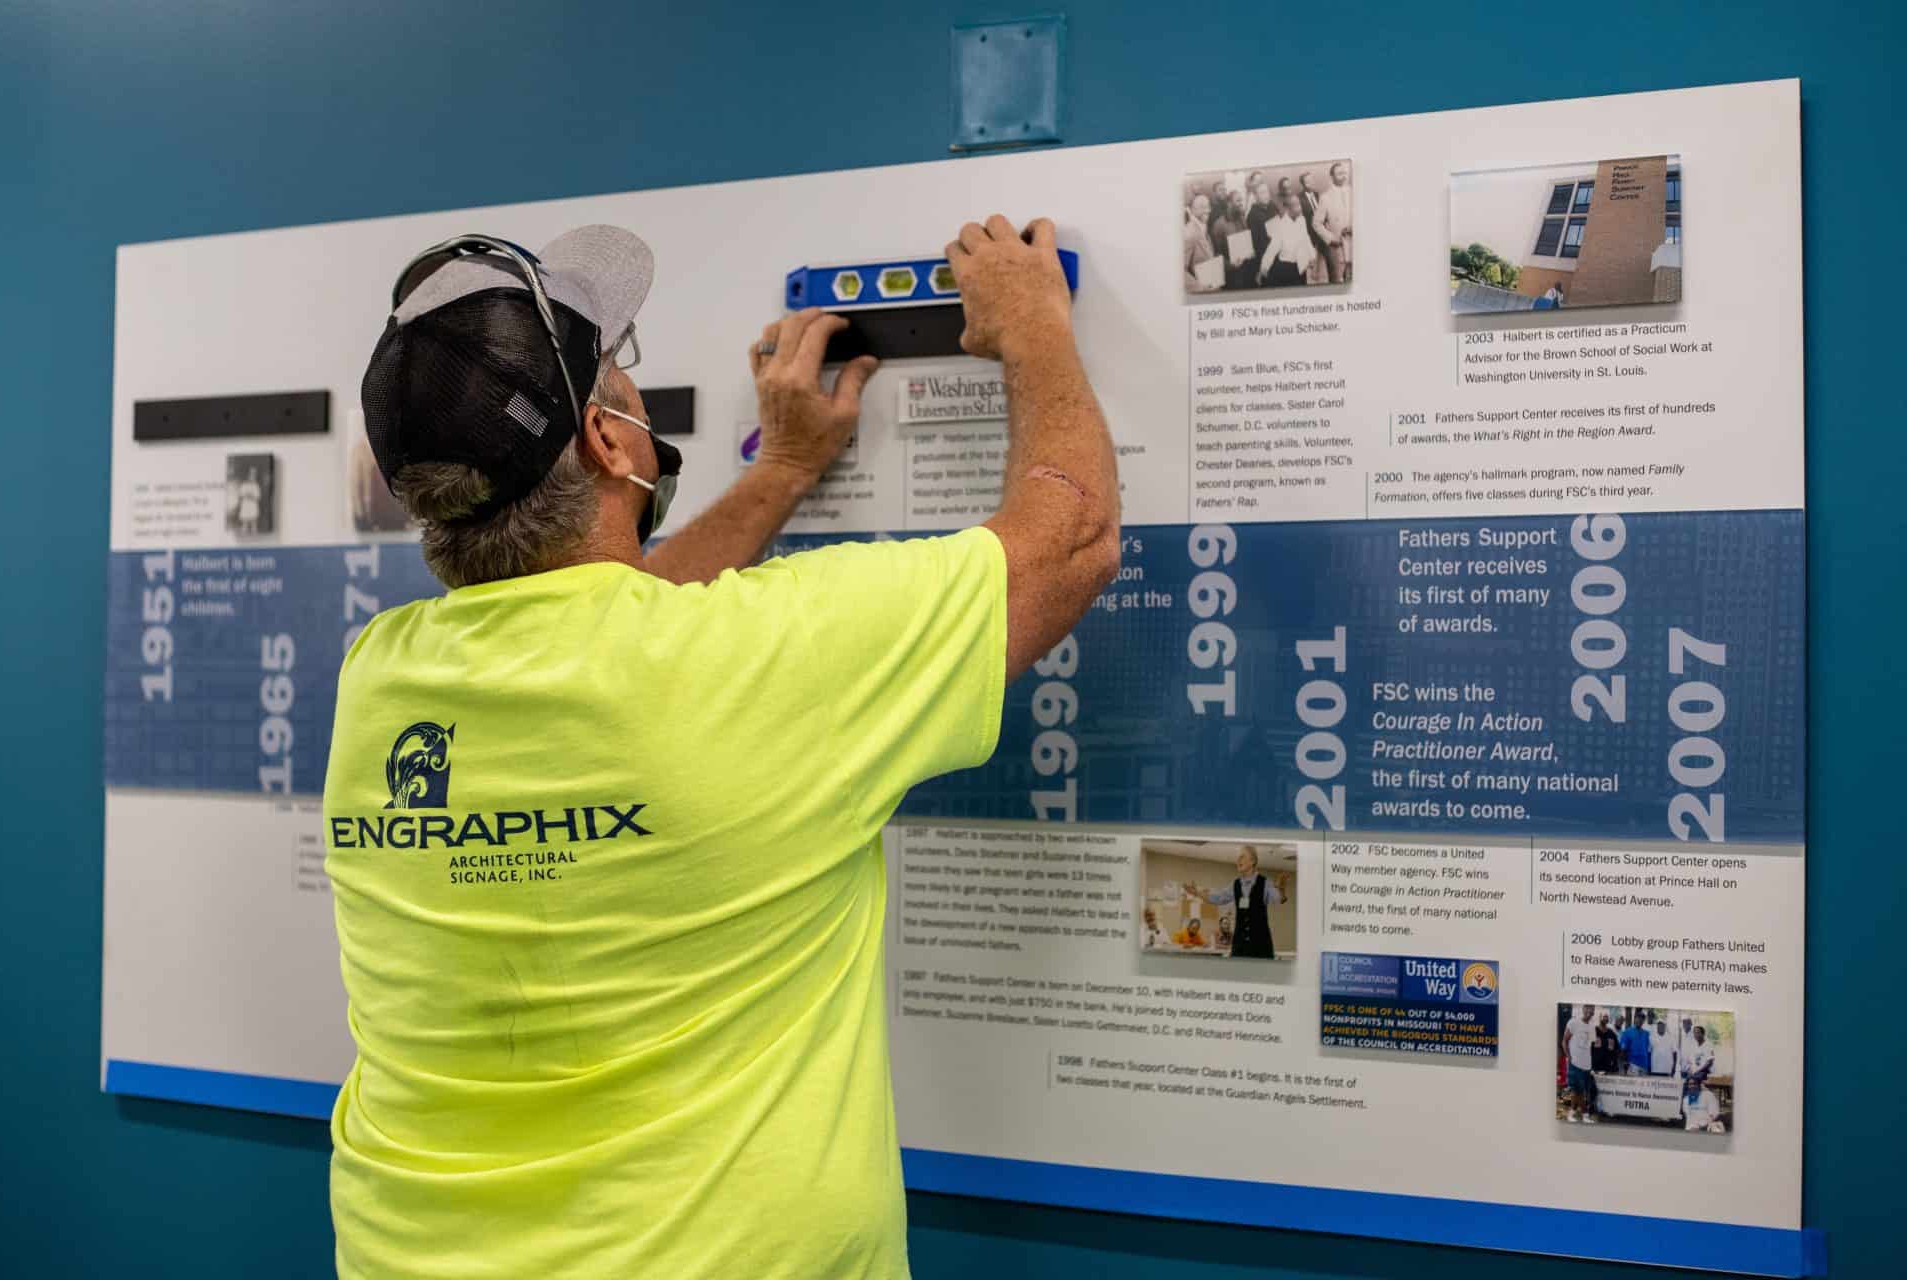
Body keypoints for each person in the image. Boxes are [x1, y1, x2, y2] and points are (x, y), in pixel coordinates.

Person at [325, 215, 1119, 1279]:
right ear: (610, 441)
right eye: (620, 370)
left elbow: (608, 622)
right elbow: (1070, 540)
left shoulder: (383, 675)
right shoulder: (758, 655)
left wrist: (784, 467)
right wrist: (1032, 324)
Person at [1186, 845, 1287, 958]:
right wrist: (1197, 893)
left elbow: (1279, 899)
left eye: (1242, 857)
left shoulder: (1265, 883)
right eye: (1238, 857)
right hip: (1239, 946)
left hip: (1261, 946)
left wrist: (1281, 888)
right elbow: (1218, 898)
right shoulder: (1235, 884)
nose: (1238, 860)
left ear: (1252, 861)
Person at [1257, 181, 1317, 288]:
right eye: (1296, 206)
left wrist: (1312, 256)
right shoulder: (1280, 226)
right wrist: (1263, 269)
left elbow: (1306, 238)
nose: (1300, 208)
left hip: (1301, 265)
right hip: (1287, 268)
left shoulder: (1301, 220)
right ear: (1287, 209)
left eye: (1299, 204)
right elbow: (1272, 249)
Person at [1561, 1003, 1600, 1123]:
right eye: (1588, 1008)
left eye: (1592, 1009)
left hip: (1586, 1065)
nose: (1590, 1011)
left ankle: (1574, 1113)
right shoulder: (1573, 1022)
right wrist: (1569, 1057)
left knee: (1582, 1091)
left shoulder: (1592, 1027)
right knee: (1578, 1090)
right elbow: (1564, 1041)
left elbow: (1592, 1046)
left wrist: (1597, 1044)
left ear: (1593, 1012)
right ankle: (1584, 1115)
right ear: (1583, 1009)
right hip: (1575, 1063)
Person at [1209, 182, 1252, 289]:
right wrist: (1229, 265)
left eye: (1241, 200)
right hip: (1231, 275)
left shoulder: (1241, 218)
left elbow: (1246, 240)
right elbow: (1215, 253)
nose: (1241, 203)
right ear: (1229, 203)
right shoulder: (1218, 225)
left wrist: (1250, 251)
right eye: (1238, 200)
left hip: (1245, 270)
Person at [1314, 161, 1352, 282]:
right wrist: (1331, 238)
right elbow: (1316, 223)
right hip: (1337, 247)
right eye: (1339, 173)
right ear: (1332, 177)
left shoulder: (1353, 192)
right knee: (1337, 281)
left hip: (1354, 245)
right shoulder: (1325, 197)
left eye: (1344, 173)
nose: (1343, 176)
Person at [1183, 192, 1218, 292]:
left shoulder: (1203, 228)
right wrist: (1199, 288)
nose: (1207, 210)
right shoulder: (1189, 232)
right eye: (1202, 207)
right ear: (1191, 210)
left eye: (1208, 206)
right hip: (1203, 293)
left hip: (1212, 287)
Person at [1592, 1010, 1620, 1074]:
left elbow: (1617, 1049)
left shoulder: (1611, 1033)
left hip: (1608, 1069)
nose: (1606, 1018)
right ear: (1599, 1017)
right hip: (1595, 1069)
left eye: (1607, 1017)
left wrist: (1613, 1062)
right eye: (1604, 1016)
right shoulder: (1593, 1031)